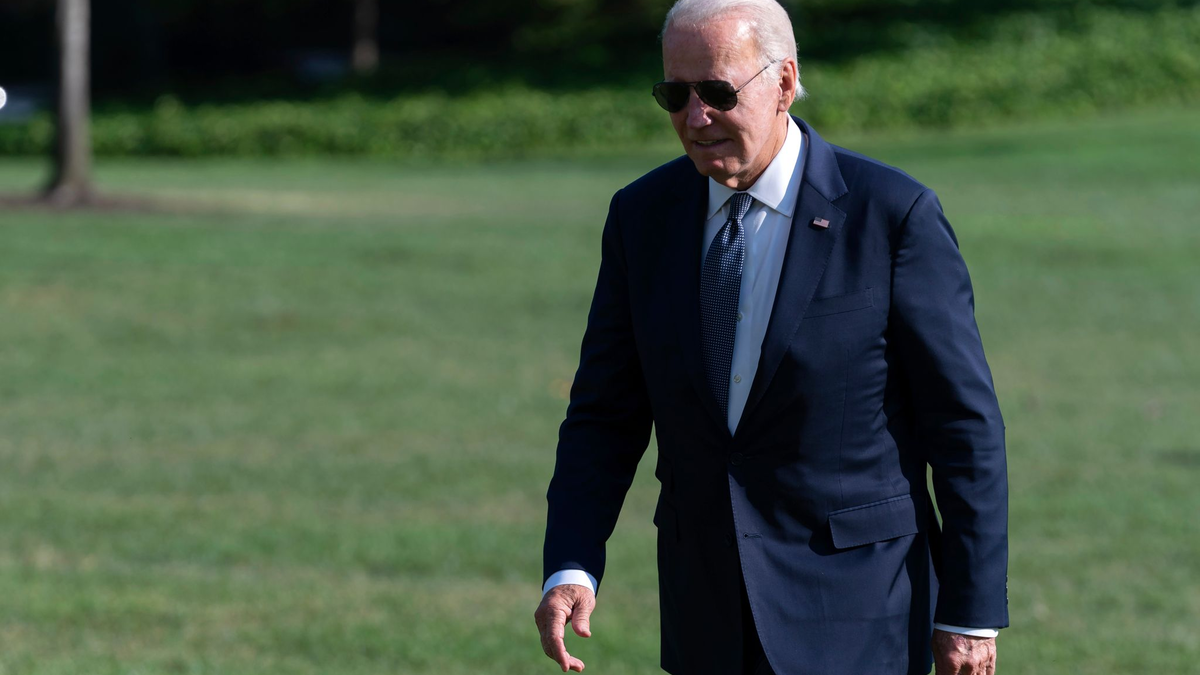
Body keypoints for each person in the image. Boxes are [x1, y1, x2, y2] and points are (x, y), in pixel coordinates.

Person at [534, 1, 1009, 673]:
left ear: (784, 83)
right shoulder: (641, 218)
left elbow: (964, 428)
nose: (695, 117)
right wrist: (572, 564)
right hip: (707, 618)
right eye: (676, 93)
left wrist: (969, 610)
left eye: (719, 92)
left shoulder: (892, 216)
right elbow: (603, 417)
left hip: (860, 618)